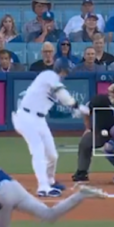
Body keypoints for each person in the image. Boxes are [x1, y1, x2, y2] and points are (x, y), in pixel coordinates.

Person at [13, 58, 77, 197]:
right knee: (38, 151)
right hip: (26, 117)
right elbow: (64, 96)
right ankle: (43, 187)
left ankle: (50, 180)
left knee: (52, 155)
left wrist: (73, 112)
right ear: (60, 68)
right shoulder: (49, 75)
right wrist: (76, 106)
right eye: (65, 71)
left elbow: (55, 110)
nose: (65, 74)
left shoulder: (53, 84)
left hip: (40, 119)